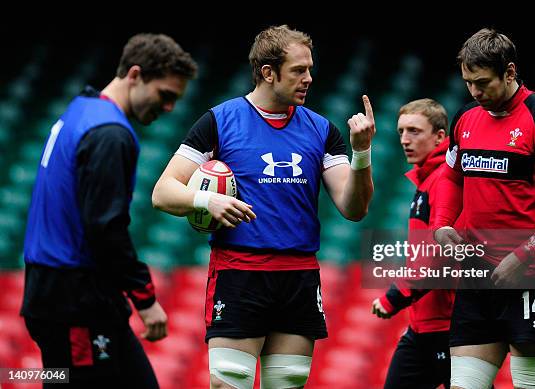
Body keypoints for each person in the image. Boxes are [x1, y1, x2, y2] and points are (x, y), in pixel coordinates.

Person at [152, 25, 375, 389]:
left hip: (298, 276)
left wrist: (361, 152)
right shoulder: (219, 121)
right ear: (268, 73)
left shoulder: (322, 130)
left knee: (288, 383)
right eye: (298, 70)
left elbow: (354, 208)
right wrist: (208, 199)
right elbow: (163, 192)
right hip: (240, 272)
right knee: (229, 383)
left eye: (310, 69)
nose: (309, 79)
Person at [22, 33, 198, 388]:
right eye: (165, 96)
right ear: (134, 75)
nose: (168, 109)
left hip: (61, 292)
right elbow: (105, 228)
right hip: (74, 300)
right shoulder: (109, 133)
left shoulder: (80, 110)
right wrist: (145, 298)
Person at [433, 28, 535, 389]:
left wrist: (522, 256)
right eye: (468, 82)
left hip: (533, 275)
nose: (474, 92)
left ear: (510, 72)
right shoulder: (466, 119)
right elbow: (452, 177)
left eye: (483, 82)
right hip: (476, 276)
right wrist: (442, 224)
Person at [371, 98, 455, 389]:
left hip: (446, 325)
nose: (405, 140)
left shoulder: (444, 179)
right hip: (424, 325)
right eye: (401, 132)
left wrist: (394, 296)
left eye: (415, 131)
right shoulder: (427, 180)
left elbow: (439, 256)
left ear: (440, 137)